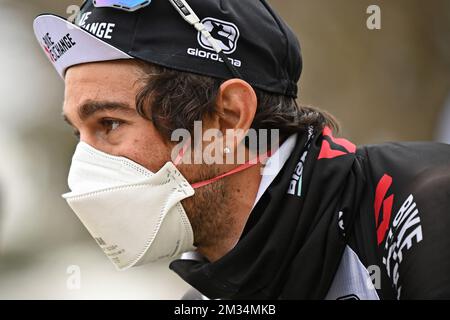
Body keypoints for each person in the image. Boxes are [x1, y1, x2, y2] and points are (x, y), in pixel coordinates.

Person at [33, 0, 450, 300]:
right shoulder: (204, 297)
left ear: (230, 118)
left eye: (109, 123)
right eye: (79, 133)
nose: (82, 169)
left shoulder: (426, 209)